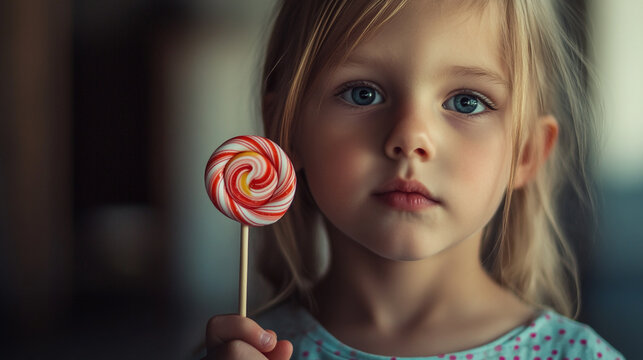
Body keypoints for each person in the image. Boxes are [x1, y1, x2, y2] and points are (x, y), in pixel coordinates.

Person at [203, 0, 625, 359]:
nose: (410, 137)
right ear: (286, 127)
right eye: (362, 93)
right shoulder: (243, 351)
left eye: (466, 101)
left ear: (526, 152)